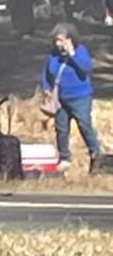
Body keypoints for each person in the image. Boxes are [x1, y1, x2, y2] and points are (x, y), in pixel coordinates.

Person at [40, 23, 102, 171]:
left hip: (79, 97)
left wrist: (71, 54)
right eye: (56, 40)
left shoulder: (81, 52)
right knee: (61, 128)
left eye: (61, 40)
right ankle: (64, 157)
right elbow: (46, 72)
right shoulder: (53, 54)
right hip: (60, 98)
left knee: (84, 126)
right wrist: (46, 87)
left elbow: (84, 68)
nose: (58, 44)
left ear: (70, 39)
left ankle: (96, 154)